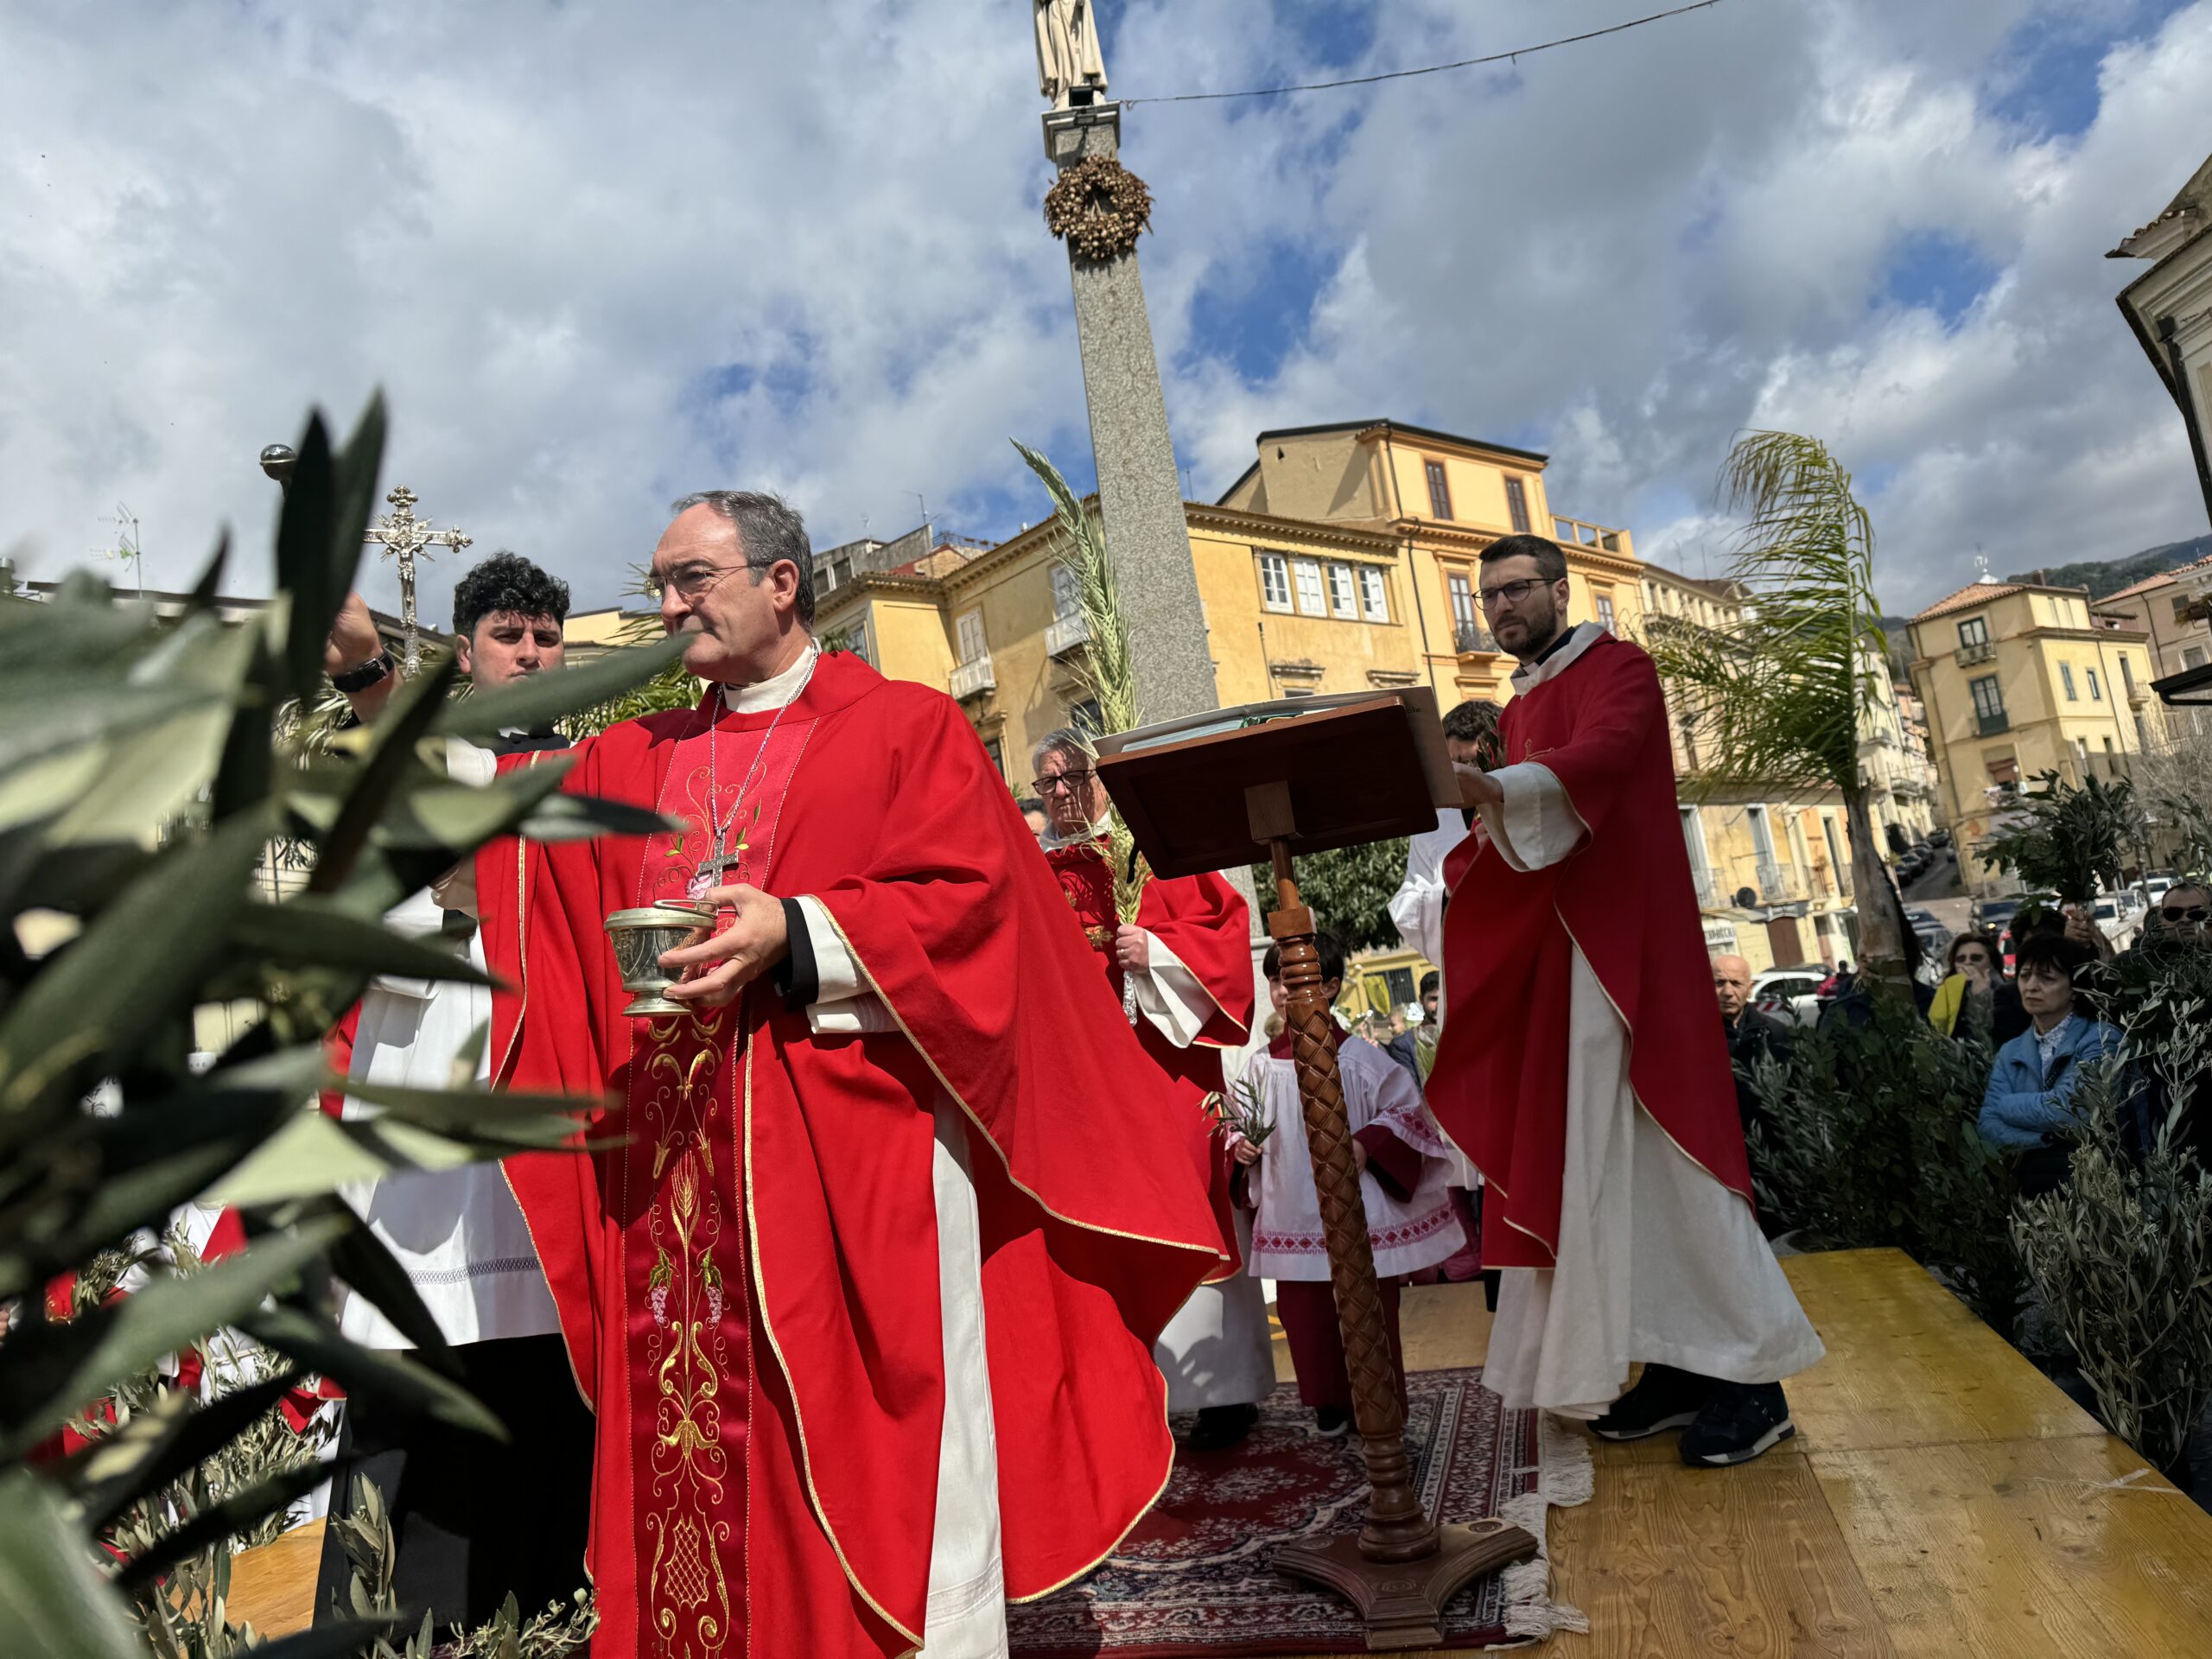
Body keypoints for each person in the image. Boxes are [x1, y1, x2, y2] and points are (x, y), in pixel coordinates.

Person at [473, 492, 1228, 1658]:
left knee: (884, 1436)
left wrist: (798, 933)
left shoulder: (904, 727)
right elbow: (517, 818)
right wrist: (381, 692)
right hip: (684, 1171)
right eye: (659, 582)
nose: (666, 605)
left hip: (859, 1155)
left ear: (782, 582)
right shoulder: (638, 754)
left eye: (692, 579)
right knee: (713, 1453)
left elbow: (972, 909)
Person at [1428, 533, 1821, 1467]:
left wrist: (1498, 789)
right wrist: (1481, 827)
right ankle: (1680, 1369)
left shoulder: (1621, 669)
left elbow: (1598, 762)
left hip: (1631, 966)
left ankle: (1754, 1381)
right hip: (1569, 974)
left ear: (1562, 590)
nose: (1501, 608)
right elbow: (1528, 835)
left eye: (1517, 590)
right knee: (1607, 1174)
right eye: (1488, 597)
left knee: (1674, 1164)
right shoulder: (1521, 706)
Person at [311, 552, 591, 1632]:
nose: (530, 654)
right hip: (431, 1148)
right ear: (466, 652)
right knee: (416, 1423)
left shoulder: (599, 772)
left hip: (551, 1152)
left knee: (549, 1417)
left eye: (545, 636)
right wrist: (471, 907)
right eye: (509, 636)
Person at [1030, 728, 1264, 1454]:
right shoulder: (1042, 874)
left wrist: (1156, 951)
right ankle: (1137, 1389)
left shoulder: (1152, 852)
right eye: (1048, 782)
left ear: (1101, 779)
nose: (1062, 790)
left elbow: (1224, 937)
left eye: (1072, 775)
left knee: (1190, 1210)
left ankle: (1222, 1393)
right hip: (1090, 1086)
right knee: (1110, 1228)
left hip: (1168, 1074)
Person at [1228, 934, 1465, 1434]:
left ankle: (1381, 1403)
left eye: (1298, 980)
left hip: (1360, 1211)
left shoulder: (1360, 1058)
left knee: (1371, 1311)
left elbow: (1405, 1112)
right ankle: (1328, 1402)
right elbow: (1237, 1123)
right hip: (1292, 1210)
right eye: (1276, 980)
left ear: (1332, 986)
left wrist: (1366, 1143)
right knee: (1305, 1318)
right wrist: (1240, 1148)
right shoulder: (1261, 1067)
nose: (1285, 992)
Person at [1978, 934, 2124, 1197]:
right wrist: (2047, 1139)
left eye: (2047, 978)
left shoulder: (2101, 1039)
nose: (2031, 986)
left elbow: (2071, 1110)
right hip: (2034, 1190)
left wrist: (2006, 1105)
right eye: (2024, 976)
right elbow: (1988, 1125)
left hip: (2102, 1188)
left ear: (2075, 989)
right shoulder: (2010, 1051)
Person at [1927, 931, 2027, 1044]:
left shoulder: (2006, 993)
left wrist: (1983, 995)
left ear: (1991, 963)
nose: (1968, 962)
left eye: (1976, 958)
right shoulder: (1946, 991)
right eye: (1961, 959)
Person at [1384, 971, 1440, 1082]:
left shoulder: (1464, 1035)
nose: (1439, 1005)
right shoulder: (1403, 1045)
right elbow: (1410, 1091)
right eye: (1433, 999)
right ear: (1421, 1000)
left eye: (1443, 998)